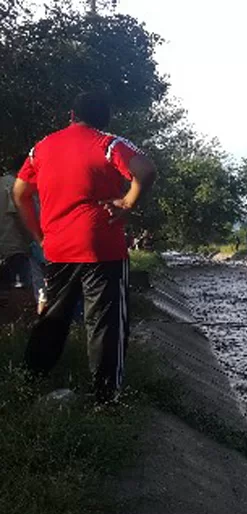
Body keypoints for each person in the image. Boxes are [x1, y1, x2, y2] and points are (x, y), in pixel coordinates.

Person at [13, 91, 158, 404]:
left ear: (71, 115)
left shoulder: (41, 148)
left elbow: (20, 193)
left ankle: (28, 382)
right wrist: (128, 203)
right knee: (105, 323)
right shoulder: (108, 144)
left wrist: (40, 237)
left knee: (53, 317)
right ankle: (106, 400)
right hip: (101, 246)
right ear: (105, 120)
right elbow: (146, 171)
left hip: (57, 247)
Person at [1, 156, 33, 290]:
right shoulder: (14, 185)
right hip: (16, 248)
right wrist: (32, 239)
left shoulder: (6, 184)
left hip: (5, 248)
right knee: (22, 293)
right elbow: (20, 216)